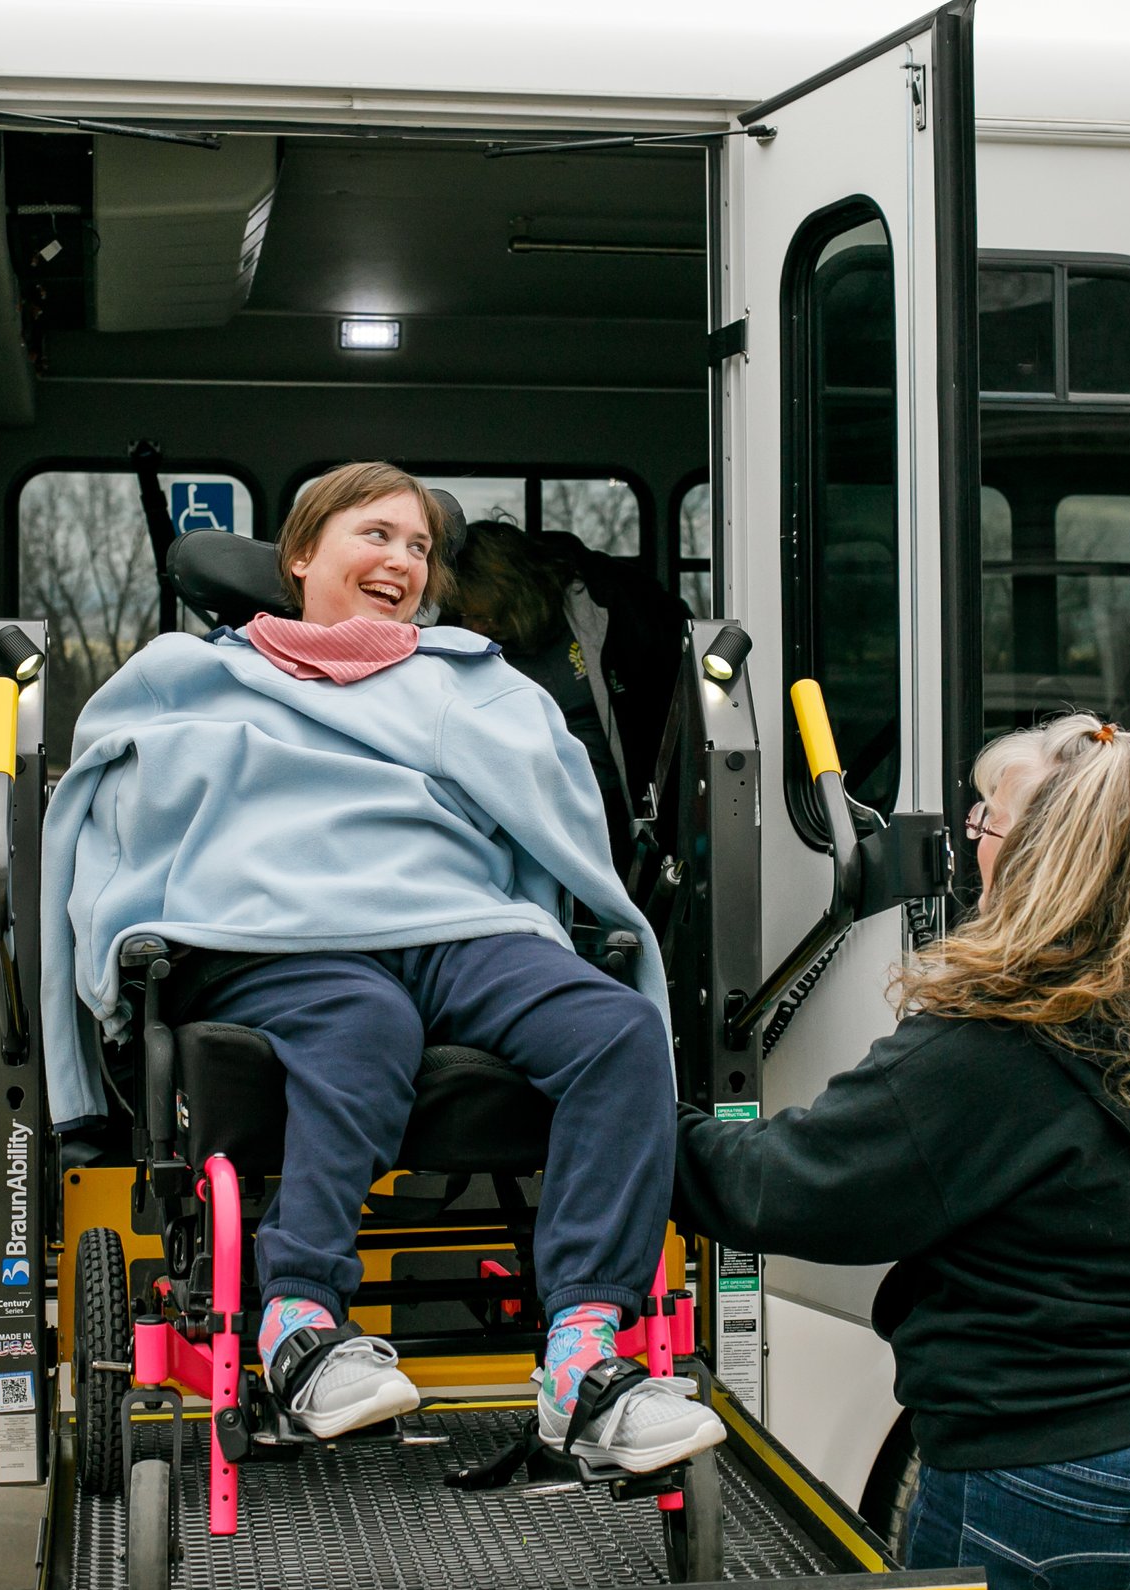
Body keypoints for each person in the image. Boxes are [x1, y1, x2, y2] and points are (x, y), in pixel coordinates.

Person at [42, 462, 724, 1473]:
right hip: (273, 928)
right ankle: (297, 1320)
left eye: (418, 547)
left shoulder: (473, 680)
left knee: (615, 1025)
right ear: (303, 554)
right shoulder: (190, 673)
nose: (402, 558)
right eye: (377, 533)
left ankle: (582, 1358)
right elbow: (105, 822)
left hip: (450, 923)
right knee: (363, 1017)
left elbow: (555, 816)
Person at [673, 714, 1130, 1590]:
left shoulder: (991, 1042)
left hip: (1057, 1470)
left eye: (984, 824)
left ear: (1042, 859)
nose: (970, 844)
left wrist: (630, 1121)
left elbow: (779, 1187)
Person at [452, 520, 690, 868]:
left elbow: (675, 684)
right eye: (465, 615)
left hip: (614, 801)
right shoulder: (461, 636)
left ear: (514, 594)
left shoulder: (607, 603)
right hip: (522, 806)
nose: (473, 627)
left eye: (485, 616)